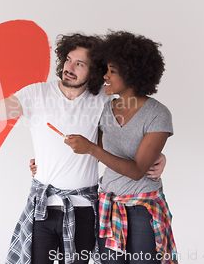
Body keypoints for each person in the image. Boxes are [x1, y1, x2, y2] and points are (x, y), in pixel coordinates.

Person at [0, 33, 166, 264]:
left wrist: (159, 156)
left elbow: (123, 137)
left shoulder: (101, 101)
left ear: (93, 71)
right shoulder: (36, 93)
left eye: (80, 64)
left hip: (84, 210)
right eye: (68, 59)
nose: (70, 67)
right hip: (42, 208)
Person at [64, 31, 177, 264]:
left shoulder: (157, 114)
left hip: (143, 210)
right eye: (106, 69)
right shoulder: (106, 110)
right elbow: (93, 153)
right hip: (108, 205)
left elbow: (136, 171)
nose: (105, 76)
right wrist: (41, 164)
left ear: (132, 73)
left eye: (112, 71)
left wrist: (91, 149)